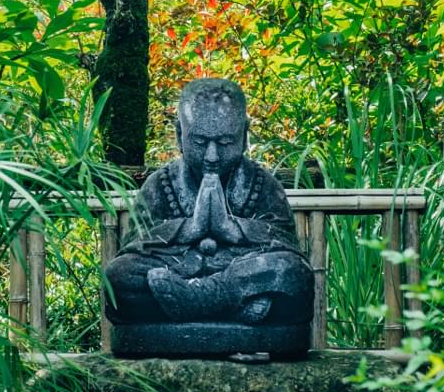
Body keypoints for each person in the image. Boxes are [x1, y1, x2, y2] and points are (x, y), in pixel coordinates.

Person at [105, 78, 314, 326]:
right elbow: (134, 245)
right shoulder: (159, 185)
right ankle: (230, 306)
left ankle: (199, 299)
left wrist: (230, 229)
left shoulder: (261, 184)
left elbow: (287, 246)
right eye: (200, 143)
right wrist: (190, 228)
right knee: (118, 275)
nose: (212, 156)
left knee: (292, 272)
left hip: (236, 274)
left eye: (225, 143)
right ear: (179, 135)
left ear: (244, 134)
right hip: (181, 272)